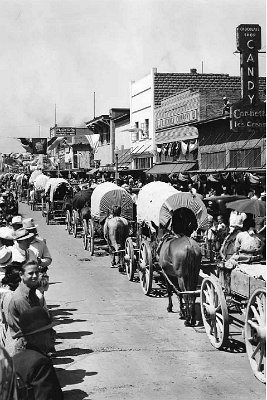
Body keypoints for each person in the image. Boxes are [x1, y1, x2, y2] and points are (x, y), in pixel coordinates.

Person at [12, 307, 63, 400]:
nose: (54, 333)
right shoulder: (40, 362)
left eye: (52, 329)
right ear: (32, 338)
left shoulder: (15, 359)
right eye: (47, 331)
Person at [8, 260, 41, 343]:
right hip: (26, 342)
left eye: (37, 273)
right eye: (30, 273)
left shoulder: (31, 291)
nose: (35, 276)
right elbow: (32, 323)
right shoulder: (21, 297)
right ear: (21, 274)